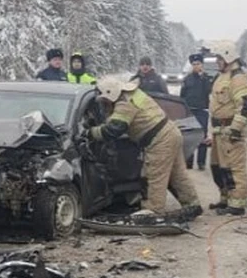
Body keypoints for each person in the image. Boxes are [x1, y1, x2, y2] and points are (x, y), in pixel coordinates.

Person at [86, 75, 201, 220]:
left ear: (111, 93)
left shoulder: (124, 103)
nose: (105, 103)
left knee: (153, 174)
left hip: (159, 139)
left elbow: (114, 129)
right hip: (171, 132)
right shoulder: (133, 94)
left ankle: (153, 210)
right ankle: (192, 204)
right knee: (177, 174)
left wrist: (90, 132)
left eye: (105, 100)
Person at [207, 41, 247, 216]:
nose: (217, 61)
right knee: (218, 167)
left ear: (228, 56)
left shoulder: (237, 78)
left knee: (234, 168)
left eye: (219, 58)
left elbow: (245, 105)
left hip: (231, 130)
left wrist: (236, 129)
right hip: (219, 130)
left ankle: (237, 204)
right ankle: (225, 198)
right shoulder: (222, 76)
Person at [180, 53, 213, 171]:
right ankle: (189, 161)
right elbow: (182, 95)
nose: (196, 66)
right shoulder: (187, 79)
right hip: (190, 110)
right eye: (194, 64)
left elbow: (209, 91)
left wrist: (203, 77)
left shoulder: (206, 78)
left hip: (202, 110)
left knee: (202, 137)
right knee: (190, 136)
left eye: (198, 64)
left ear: (202, 65)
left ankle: (201, 162)